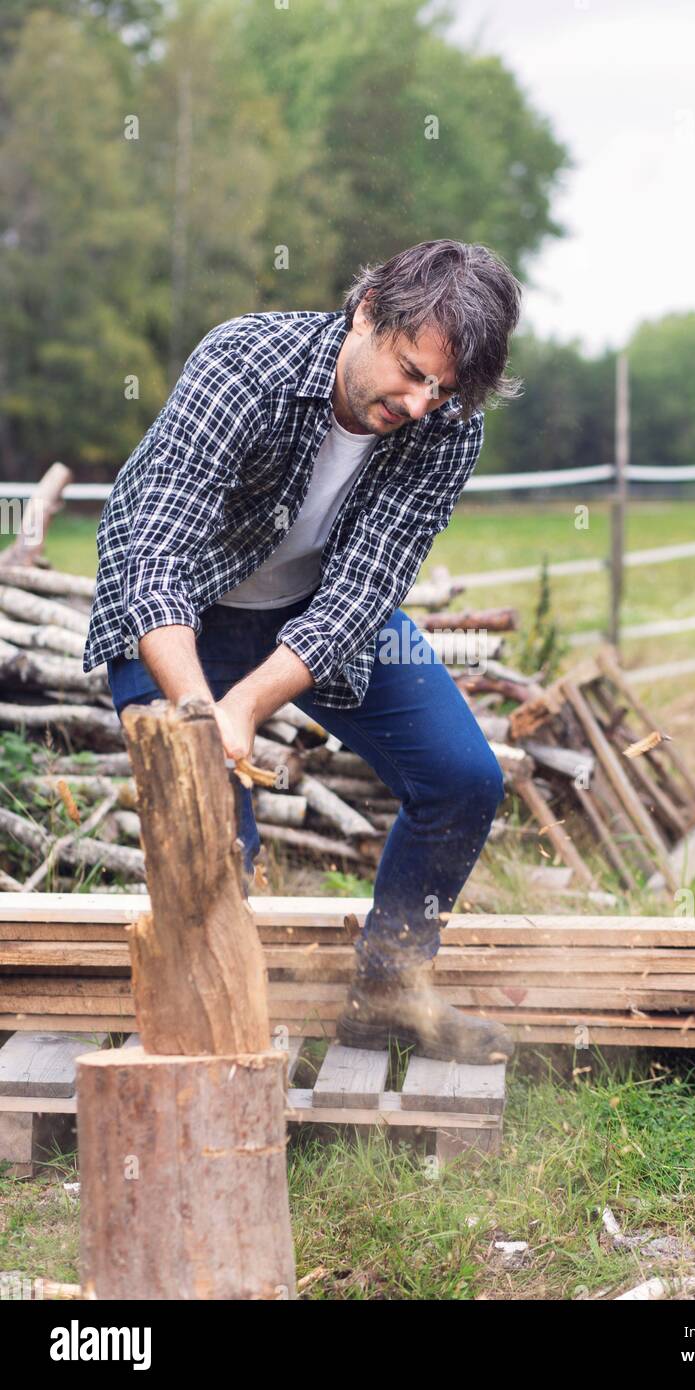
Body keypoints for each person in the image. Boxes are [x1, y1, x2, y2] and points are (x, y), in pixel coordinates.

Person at [83, 239, 523, 1064]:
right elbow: (155, 558)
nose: (422, 402)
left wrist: (248, 704)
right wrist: (200, 715)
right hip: (183, 611)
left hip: (317, 607)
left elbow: (364, 589)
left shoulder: (449, 429)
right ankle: (207, 1038)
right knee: (211, 826)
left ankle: (390, 993)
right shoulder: (244, 362)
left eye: (443, 388)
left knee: (464, 780)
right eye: (409, 371)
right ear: (365, 314)